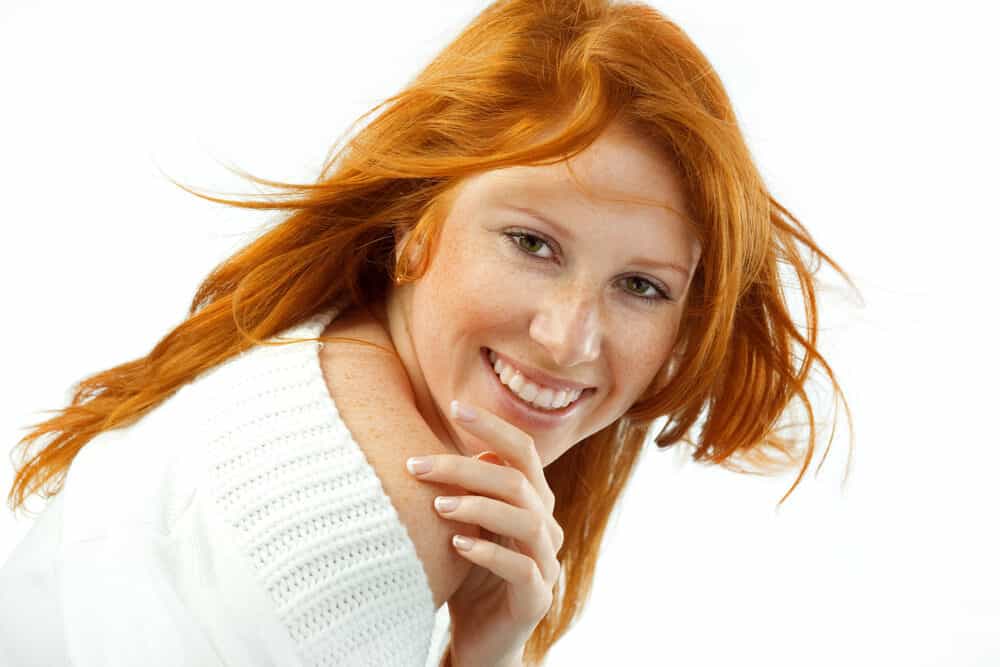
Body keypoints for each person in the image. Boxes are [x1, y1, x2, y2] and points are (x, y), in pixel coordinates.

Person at [1, 1, 856, 665]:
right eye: (532, 244)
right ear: (415, 223)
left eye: (641, 285)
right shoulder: (404, 505)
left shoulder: (321, 350)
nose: (567, 339)